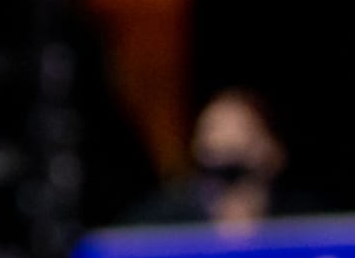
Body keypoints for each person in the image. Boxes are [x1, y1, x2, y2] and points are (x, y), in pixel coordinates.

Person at [126, 87, 324, 230]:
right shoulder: (158, 221)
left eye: (245, 132)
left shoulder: (308, 222)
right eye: (212, 131)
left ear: (275, 153)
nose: (226, 144)